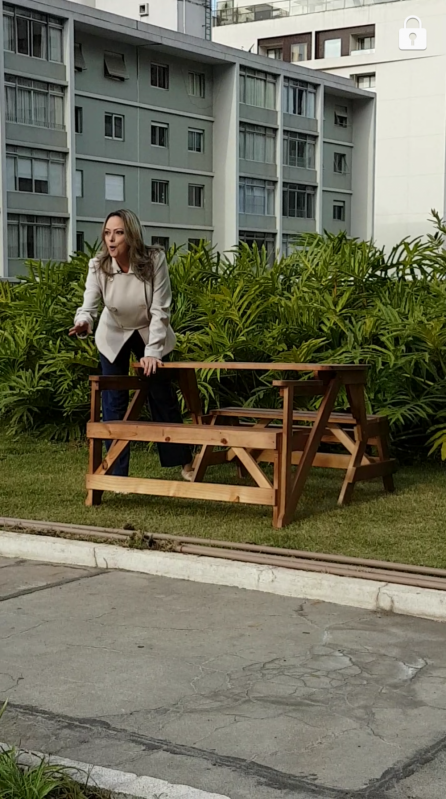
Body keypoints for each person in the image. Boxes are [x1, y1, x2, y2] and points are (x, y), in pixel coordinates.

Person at [69, 209, 194, 480]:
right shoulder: (98, 265)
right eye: (107, 233)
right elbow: (89, 305)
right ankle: (116, 472)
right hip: (114, 331)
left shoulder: (154, 260)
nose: (111, 239)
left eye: (119, 232)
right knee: (113, 401)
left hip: (151, 329)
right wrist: (83, 322)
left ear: (132, 235)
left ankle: (183, 460)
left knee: (162, 395)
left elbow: (161, 310)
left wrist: (152, 353)